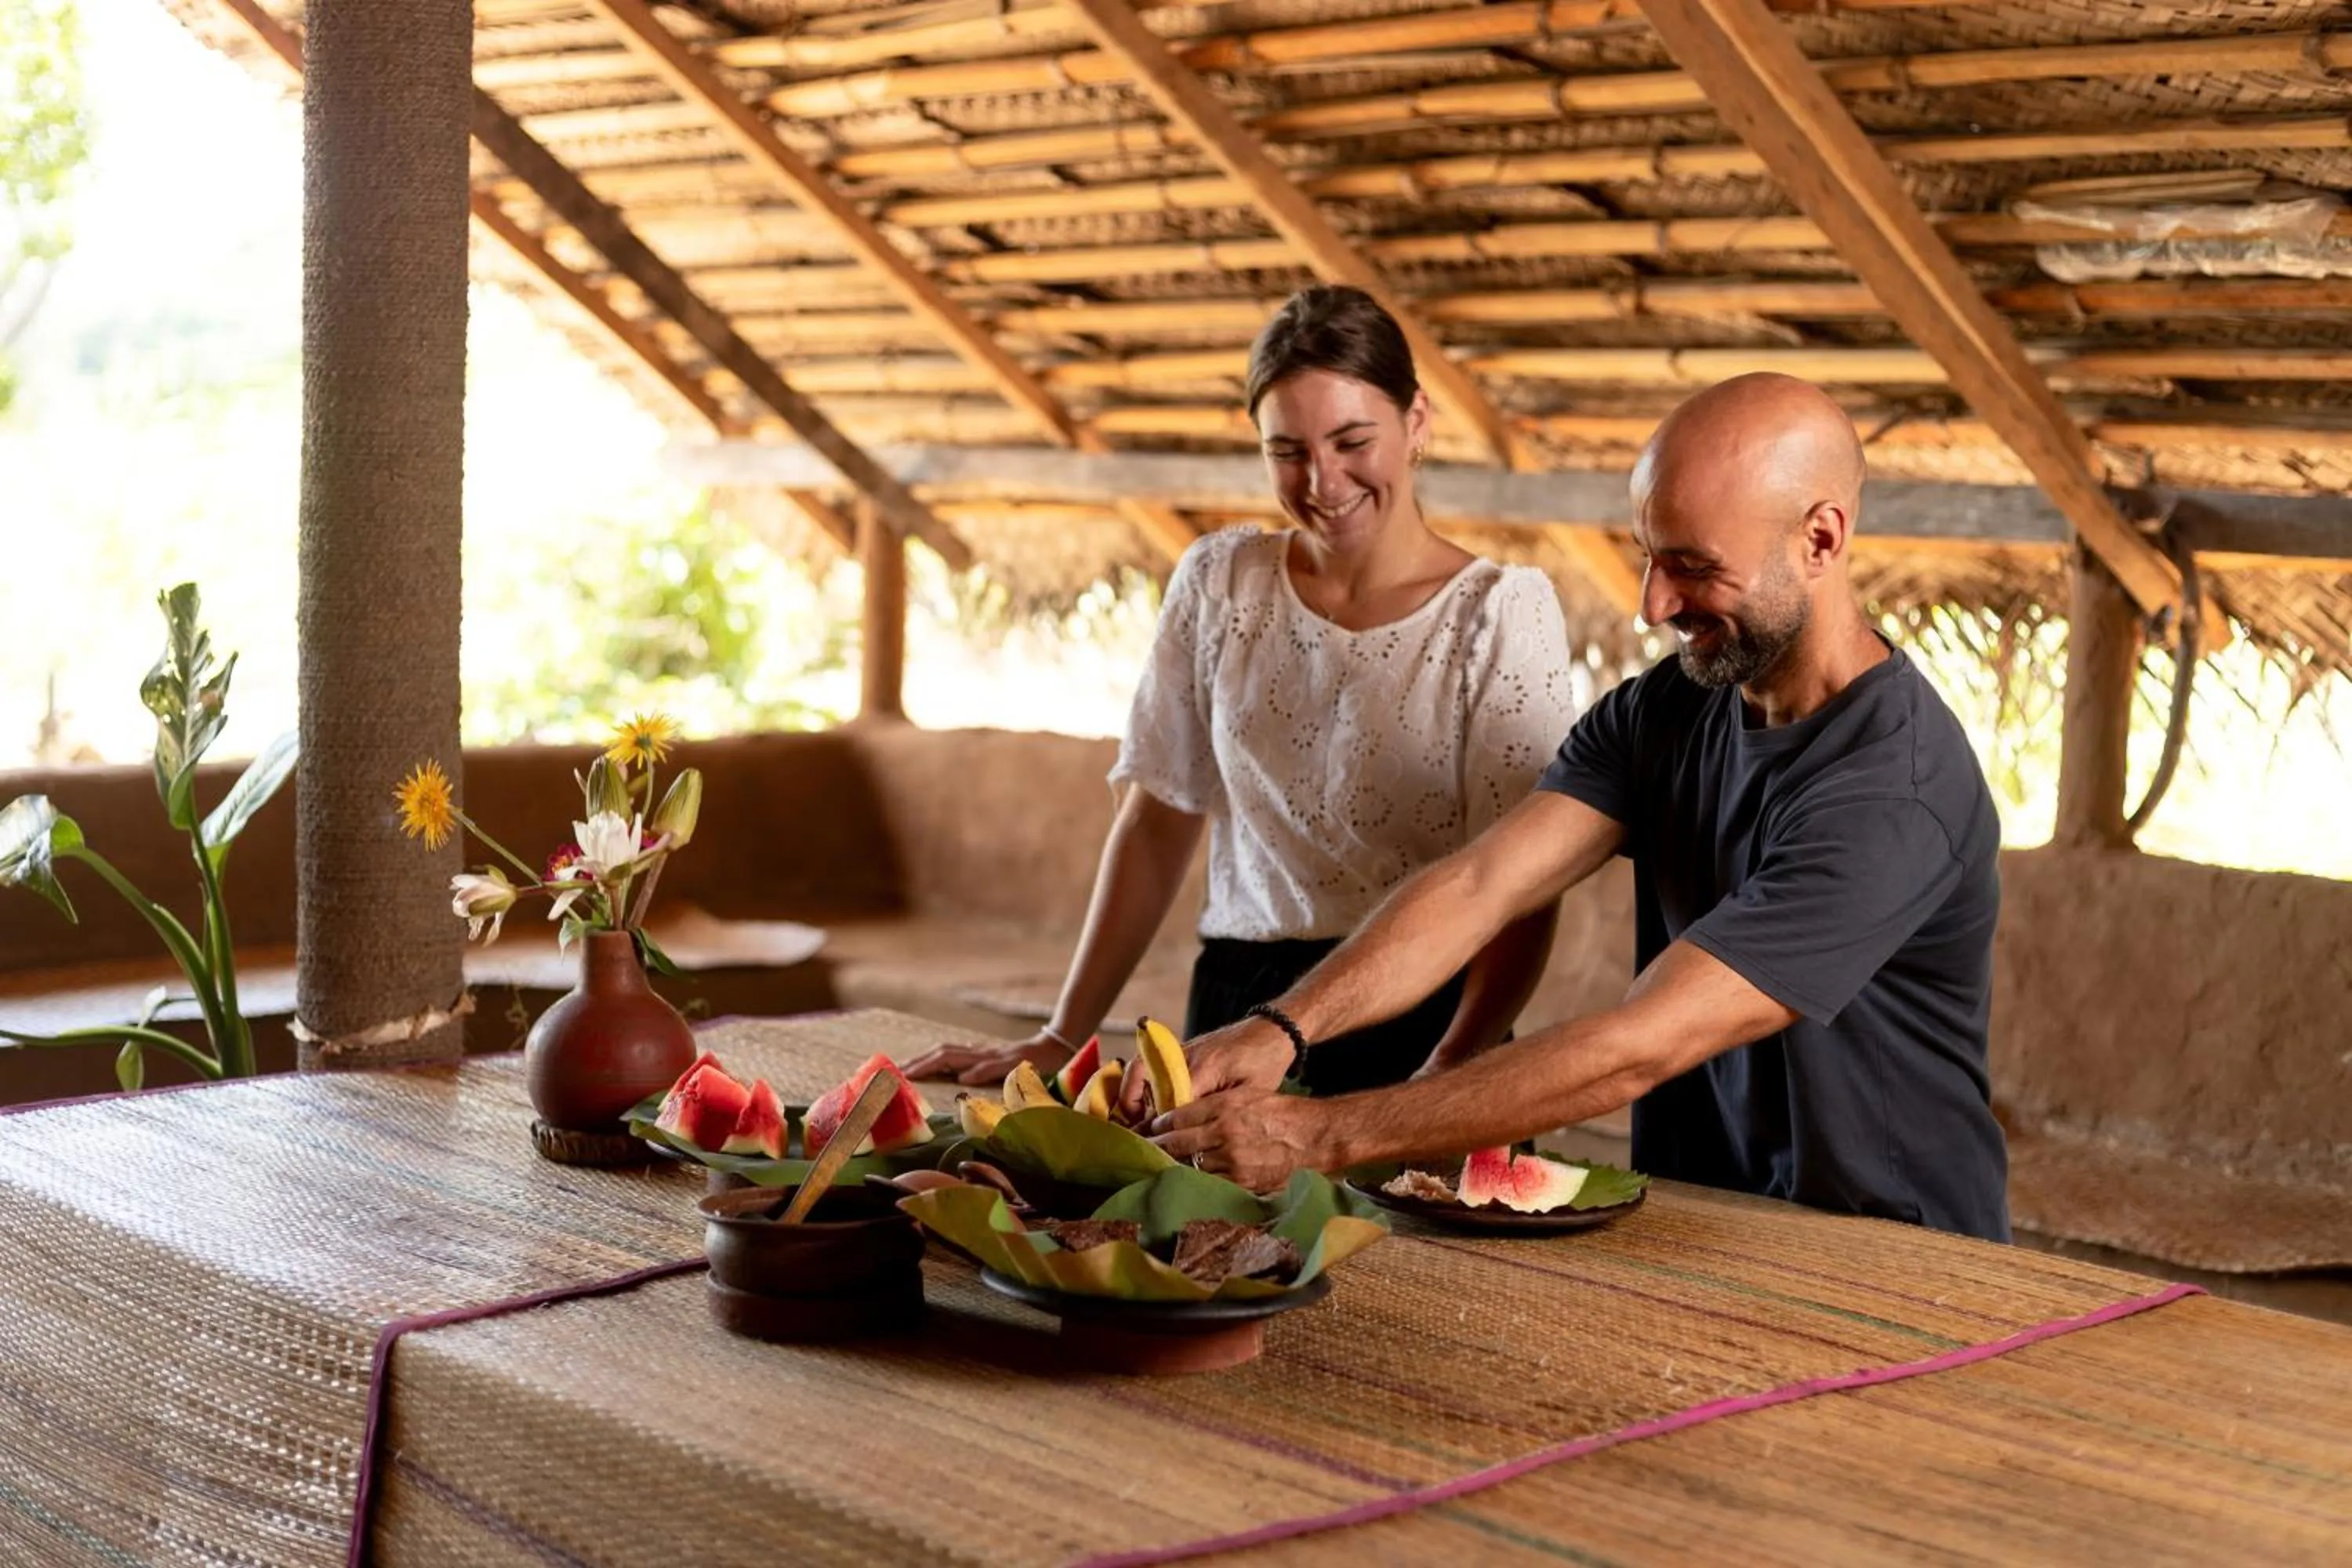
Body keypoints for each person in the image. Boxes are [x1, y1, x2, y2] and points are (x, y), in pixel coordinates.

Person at [1146, 372, 2010, 1241]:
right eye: (1649, 553)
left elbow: (1643, 1041)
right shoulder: (1664, 709)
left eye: (1694, 566)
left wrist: (1324, 1133)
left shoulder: (1895, 790)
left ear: (1821, 539)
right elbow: (1483, 882)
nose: (1652, 603)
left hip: (1890, 1245)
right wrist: (1283, 1028)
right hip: (1704, 1220)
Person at [906, 285, 1580, 1098]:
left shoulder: (1502, 612)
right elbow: (1158, 821)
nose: (1322, 481)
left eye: (1352, 439)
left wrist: (1449, 1074)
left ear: (1419, 423)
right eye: (1287, 450)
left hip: (1431, 1010)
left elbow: (1517, 887)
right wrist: (1063, 1031)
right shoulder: (1220, 581)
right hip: (1234, 1005)